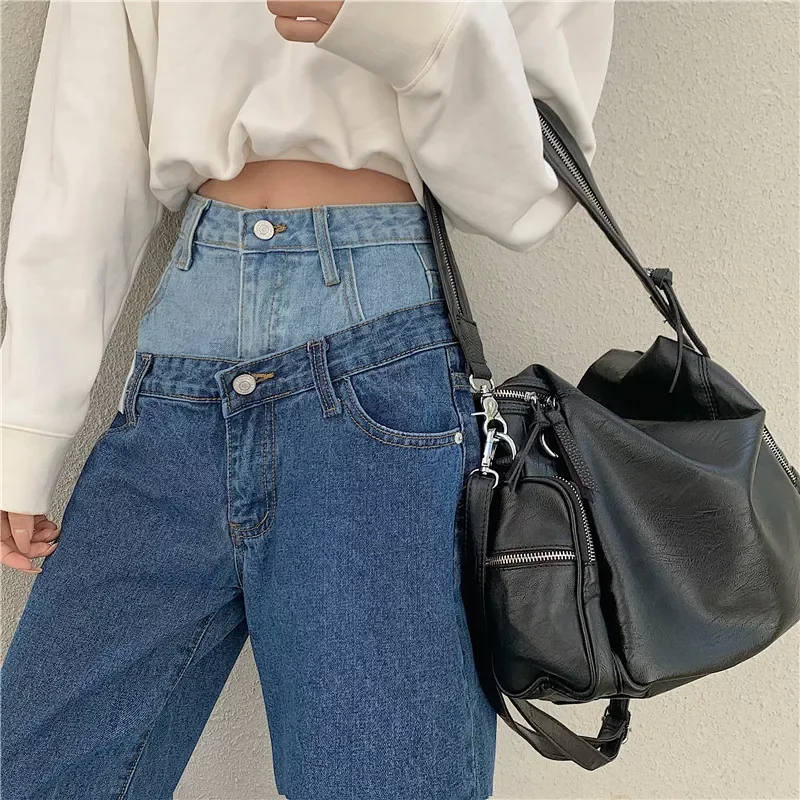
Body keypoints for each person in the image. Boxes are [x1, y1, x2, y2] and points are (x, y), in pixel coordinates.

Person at [0, 1, 614, 797]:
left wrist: (398, 22)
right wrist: (26, 425)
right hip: (183, 352)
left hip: (379, 361)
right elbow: (85, 149)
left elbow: (522, 196)